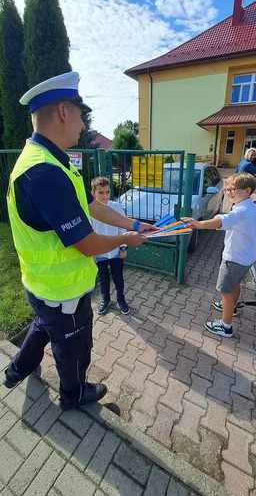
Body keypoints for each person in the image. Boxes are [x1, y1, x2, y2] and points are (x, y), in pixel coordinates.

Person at [4, 71, 153, 410]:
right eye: (81, 115)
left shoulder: (50, 160)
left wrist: (131, 223)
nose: (83, 125)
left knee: (44, 326)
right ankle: (73, 395)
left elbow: (90, 207)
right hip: (63, 293)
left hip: (44, 287)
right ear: (62, 112)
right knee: (73, 347)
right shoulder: (44, 173)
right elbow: (85, 243)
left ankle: (15, 370)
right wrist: (127, 239)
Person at [184, 172, 256, 338]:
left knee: (225, 291)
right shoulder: (252, 207)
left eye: (233, 189)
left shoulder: (240, 211)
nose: (228, 192)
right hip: (247, 257)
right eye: (227, 189)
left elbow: (221, 221)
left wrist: (198, 224)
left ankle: (226, 326)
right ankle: (231, 307)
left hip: (233, 259)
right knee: (234, 284)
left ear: (247, 191)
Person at [91, 176, 129, 315]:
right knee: (103, 278)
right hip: (99, 253)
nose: (105, 196)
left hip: (116, 252)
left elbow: (123, 228)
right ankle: (105, 300)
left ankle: (121, 299)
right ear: (93, 193)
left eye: (107, 192)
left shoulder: (116, 207)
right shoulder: (90, 210)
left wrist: (123, 247)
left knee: (118, 277)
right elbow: (89, 231)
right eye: (100, 192)